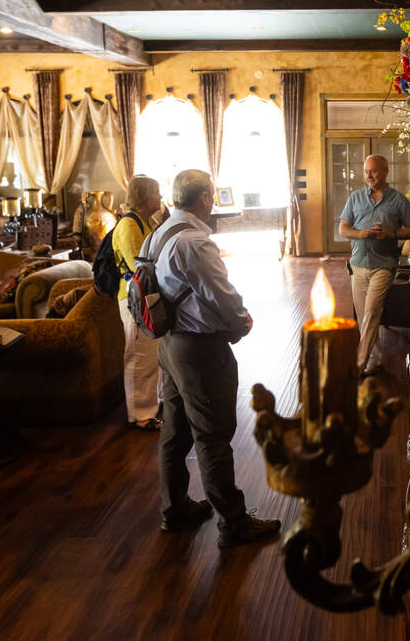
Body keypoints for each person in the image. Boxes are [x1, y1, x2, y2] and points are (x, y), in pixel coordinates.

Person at [147, 169, 281, 545]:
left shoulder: (160, 233)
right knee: (212, 435)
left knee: (175, 433)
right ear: (205, 197)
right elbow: (221, 296)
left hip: (170, 345)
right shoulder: (193, 242)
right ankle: (234, 524)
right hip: (200, 350)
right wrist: (242, 323)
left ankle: (174, 511)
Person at [338, 154, 410, 376]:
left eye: (373, 171)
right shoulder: (355, 198)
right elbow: (343, 229)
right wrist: (360, 233)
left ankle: (358, 365)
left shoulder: (398, 200)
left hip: (384, 265)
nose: (368, 176)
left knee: (372, 312)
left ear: (385, 171)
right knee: (366, 317)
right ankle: (373, 362)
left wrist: (392, 233)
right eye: (366, 172)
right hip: (358, 265)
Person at [113, 174, 164, 431]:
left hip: (144, 296)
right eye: (156, 193)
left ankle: (152, 403)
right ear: (144, 197)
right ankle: (141, 414)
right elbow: (141, 265)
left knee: (151, 353)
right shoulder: (129, 226)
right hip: (133, 299)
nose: (161, 198)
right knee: (139, 355)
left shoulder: (144, 222)